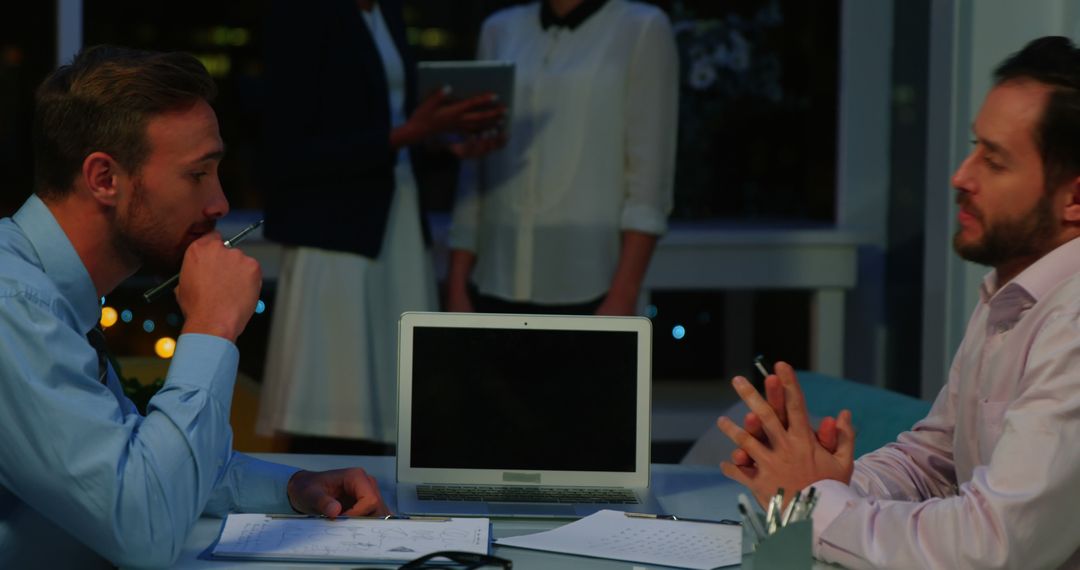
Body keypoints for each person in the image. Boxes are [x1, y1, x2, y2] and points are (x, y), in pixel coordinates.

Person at [0, 45, 389, 568]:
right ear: (103, 179)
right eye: (196, 175)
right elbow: (144, 529)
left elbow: (132, 464)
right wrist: (211, 328)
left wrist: (293, 486)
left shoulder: (48, 292)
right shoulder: (14, 303)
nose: (220, 203)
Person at [716, 36, 1080, 568]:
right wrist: (823, 478)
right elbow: (934, 461)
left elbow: (993, 544)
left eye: (994, 162)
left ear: (1073, 197)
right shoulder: (1014, 292)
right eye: (974, 145)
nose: (961, 175)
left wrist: (811, 505)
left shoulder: (1072, 322)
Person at [256, 0, 504, 449]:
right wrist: (408, 134)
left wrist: (442, 144)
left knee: (399, 412)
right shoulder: (302, 13)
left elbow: (388, 127)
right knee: (336, 416)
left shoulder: (384, 12)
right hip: (336, 237)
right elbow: (288, 150)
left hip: (396, 223)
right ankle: (338, 512)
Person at [446, 0, 678, 316]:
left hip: (591, 284)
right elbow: (474, 166)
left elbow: (648, 180)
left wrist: (624, 294)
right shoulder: (499, 29)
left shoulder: (641, 27)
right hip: (493, 279)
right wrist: (457, 283)